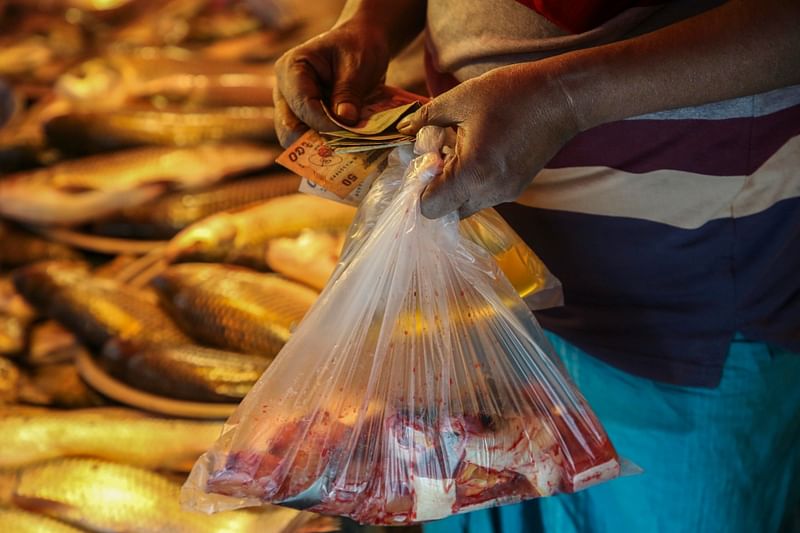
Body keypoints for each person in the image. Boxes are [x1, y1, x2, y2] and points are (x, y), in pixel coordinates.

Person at [272, 1, 800, 531]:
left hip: (686, 318)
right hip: (484, 293)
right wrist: (369, 24)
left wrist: (566, 98)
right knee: (461, 476)